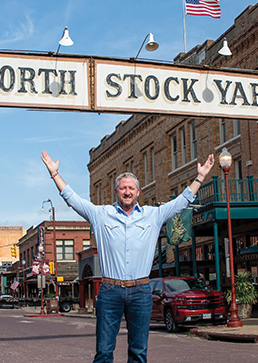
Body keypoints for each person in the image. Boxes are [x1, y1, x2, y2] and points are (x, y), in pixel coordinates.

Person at [41, 149, 215, 363]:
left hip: (141, 291)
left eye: (131, 188)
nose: (127, 191)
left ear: (138, 192)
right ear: (116, 192)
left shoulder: (154, 215)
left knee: (138, 352)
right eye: (123, 188)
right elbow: (72, 199)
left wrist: (201, 176)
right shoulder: (100, 214)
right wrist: (55, 175)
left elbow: (182, 201)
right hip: (109, 291)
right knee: (104, 352)